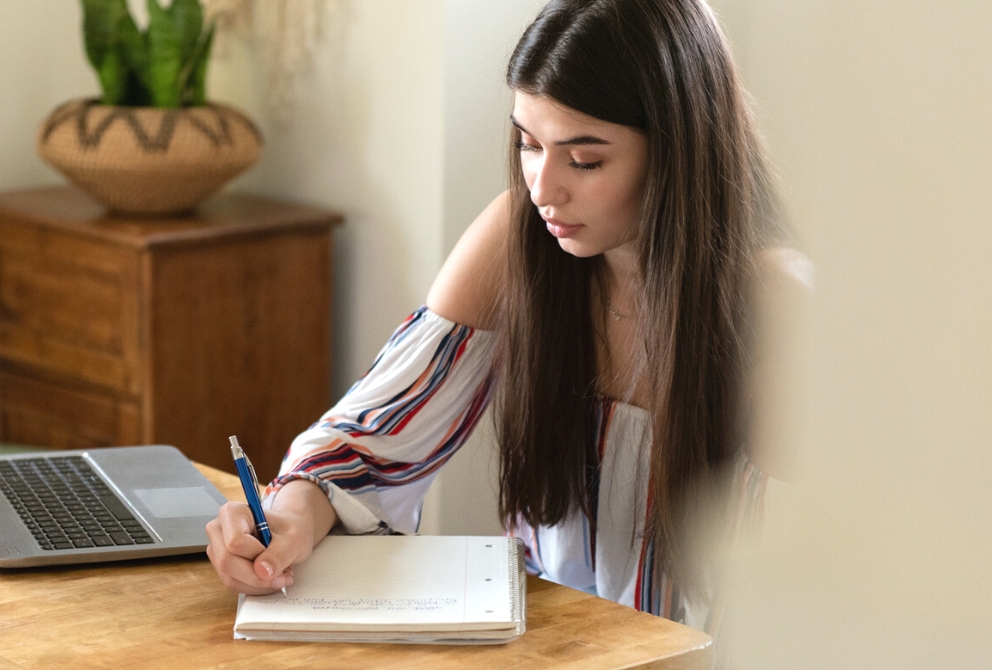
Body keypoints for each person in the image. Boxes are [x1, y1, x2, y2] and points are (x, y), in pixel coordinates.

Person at [205, 0, 806, 633]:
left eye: (585, 160)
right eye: (528, 143)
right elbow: (367, 442)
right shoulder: (520, 236)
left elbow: (802, 595)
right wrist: (288, 515)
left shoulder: (774, 300)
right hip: (545, 649)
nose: (543, 187)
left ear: (680, 149)